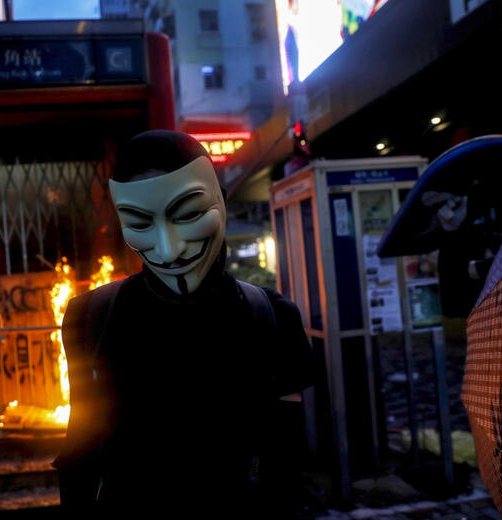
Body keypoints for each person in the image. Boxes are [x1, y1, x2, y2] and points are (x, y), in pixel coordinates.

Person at [56, 130, 316, 518]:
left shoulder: (272, 318)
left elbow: (286, 461)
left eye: (189, 214)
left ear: (221, 203)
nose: (169, 247)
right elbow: (80, 449)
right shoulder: (90, 318)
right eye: (140, 222)